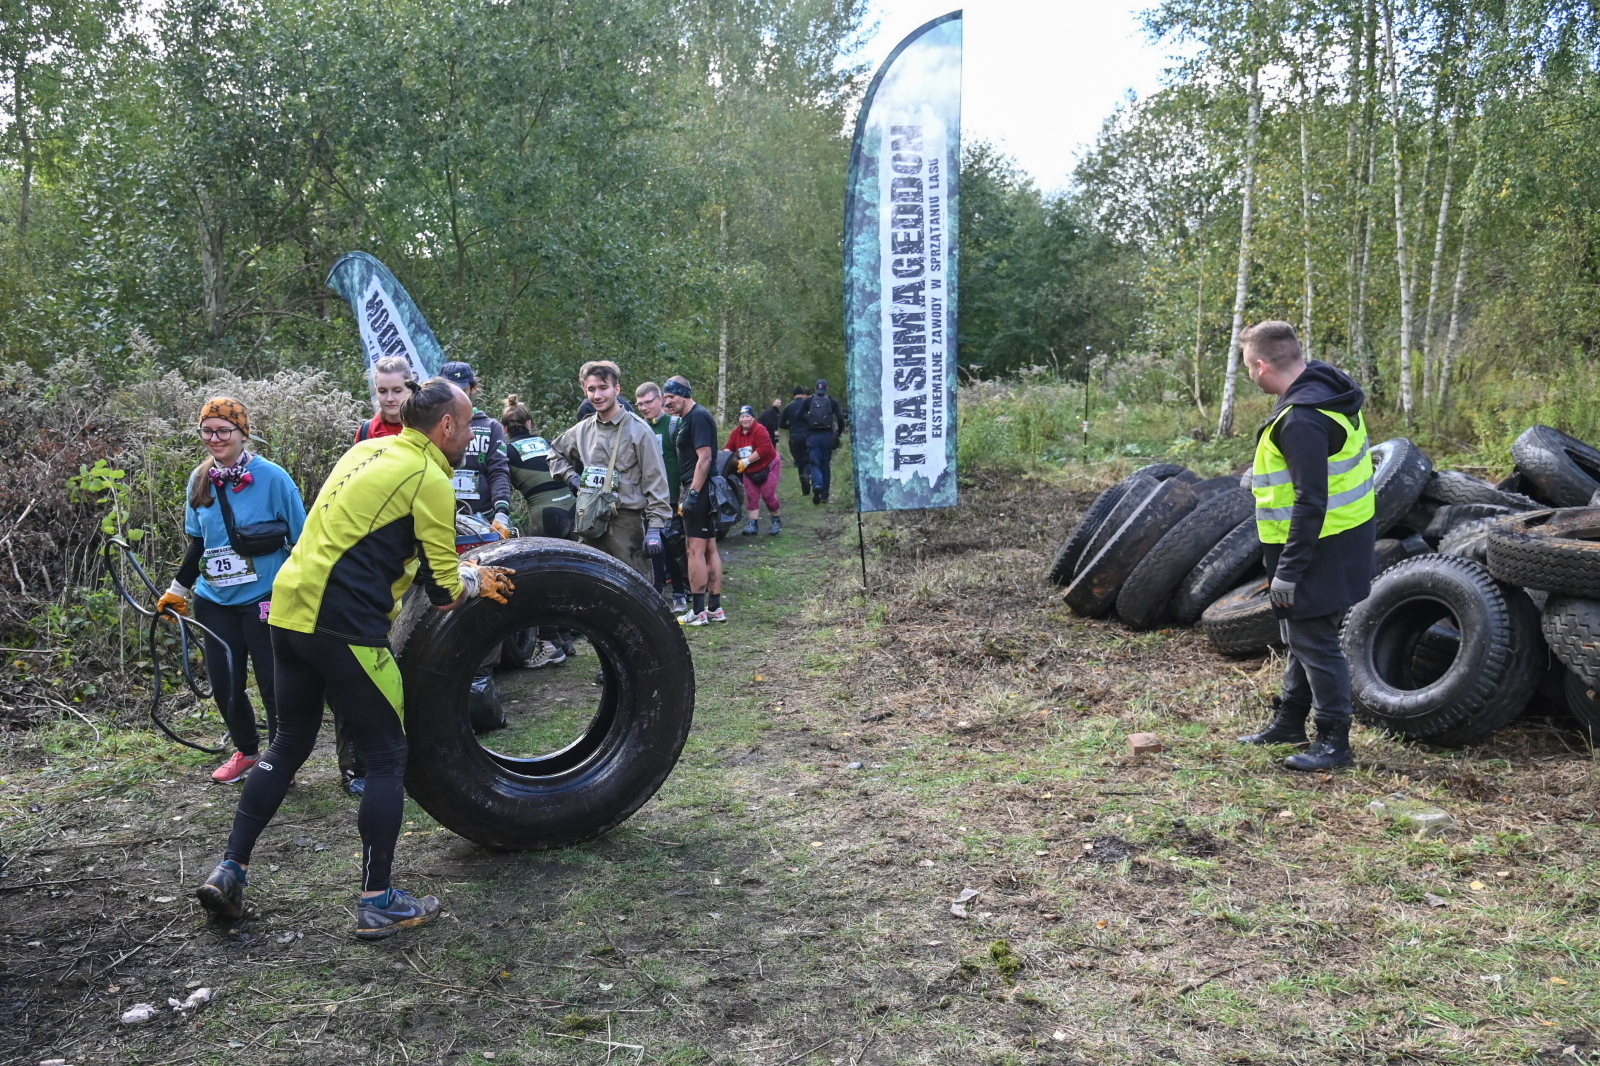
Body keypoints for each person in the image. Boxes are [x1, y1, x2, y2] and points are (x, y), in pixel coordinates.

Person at [195, 378, 515, 939]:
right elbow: (443, 592)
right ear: (445, 427)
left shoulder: (366, 449)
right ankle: (377, 901)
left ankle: (230, 871)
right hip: (342, 626)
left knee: (288, 744)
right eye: (465, 426)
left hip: (286, 612)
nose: (468, 436)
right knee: (388, 756)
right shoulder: (430, 477)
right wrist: (475, 578)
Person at [1235, 320, 1375, 772]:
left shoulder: (1301, 419)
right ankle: (1290, 722)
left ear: (1260, 365)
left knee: (1316, 642)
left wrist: (1289, 572)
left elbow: (1311, 499)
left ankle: (1335, 743)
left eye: (1245, 365)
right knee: (1303, 636)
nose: (1247, 373)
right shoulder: (1325, 392)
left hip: (1315, 548)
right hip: (1341, 538)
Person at [156, 399, 307, 785]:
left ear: (243, 433)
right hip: (214, 601)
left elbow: (303, 542)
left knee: (275, 684)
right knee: (225, 684)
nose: (216, 438)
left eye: (224, 430)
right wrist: (177, 589)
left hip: (265, 597)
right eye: (208, 430)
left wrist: (305, 592)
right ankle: (247, 752)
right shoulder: (199, 478)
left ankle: (279, 761)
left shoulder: (273, 478)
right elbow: (197, 544)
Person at [546, 361, 671, 579]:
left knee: (634, 589)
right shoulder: (583, 429)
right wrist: (571, 477)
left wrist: (655, 528)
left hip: (625, 524)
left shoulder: (639, 431)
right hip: (589, 521)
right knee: (591, 587)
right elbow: (554, 453)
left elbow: (656, 481)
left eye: (603, 388)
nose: (597, 395)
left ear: (616, 389)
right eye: (591, 389)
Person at [501, 394, 575, 669]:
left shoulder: (507, 451)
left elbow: (502, 485)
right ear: (529, 423)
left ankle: (548, 644)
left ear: (506, 429)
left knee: (545, 581)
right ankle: (566, 639)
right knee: (566, 575)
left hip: (545, 513)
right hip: (571, 506)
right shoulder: (544, 441)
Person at [660, 376, 725, 625]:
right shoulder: (690, 417)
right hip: (700, 488)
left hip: (698, 488)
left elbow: (705, 458)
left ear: (684, 394)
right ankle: (714, 608)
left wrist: (693, 494)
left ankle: (698, 611)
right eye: (665, 397)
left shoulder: (697, 416)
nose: (668, 402)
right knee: (709, 548)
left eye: (671, 397)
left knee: (694, 550)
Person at [437, 361, 513, 540]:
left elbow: (499, 471)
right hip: (440, 518)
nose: (456, 398)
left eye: (461, 391)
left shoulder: (491, 427)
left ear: (473, 388)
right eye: (449, 392)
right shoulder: (434, 426)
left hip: (482, 520)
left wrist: (501, 512)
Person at [635, 381, 689, 613]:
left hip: (672, 498)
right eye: (640, 404)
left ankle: (680, 594)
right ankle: (656, 594)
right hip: (646, 499)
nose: (645, 408)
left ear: (660, 400)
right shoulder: (637, 427)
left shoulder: (674, 425)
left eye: (648, 402)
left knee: (674, 548)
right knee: (652, 548)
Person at [726, 404, 781, 535]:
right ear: (739, 419)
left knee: (768, 495)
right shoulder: (736, 433)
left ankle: (776, 521)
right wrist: (725, 458)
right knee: (751, 495)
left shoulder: (760, 430)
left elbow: (763, 449)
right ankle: (752, 524)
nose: (745, 419)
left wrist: (746, 461)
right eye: (742, 416)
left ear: (753, 418)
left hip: (768, 465)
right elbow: (729, 448)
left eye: (748, 416)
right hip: (749, 469)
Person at [801, 378, 847, 505]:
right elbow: (841, 419)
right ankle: (825, 495)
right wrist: (838, 433)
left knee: (815, 463)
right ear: (826, 389)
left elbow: (799, 415)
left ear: (815, 388)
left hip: (813, 436)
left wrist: (809, 420)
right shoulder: (832, 401)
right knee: (825, 465)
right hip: (827, 436)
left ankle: (817, 485)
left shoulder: (809, 401)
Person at [355, 355, 414, 442]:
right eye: (383, 391)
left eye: (397, 391)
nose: (390, 398)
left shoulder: (428, 430)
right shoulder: (365, 432)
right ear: (376, 391)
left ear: (410, 390)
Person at [779, 385, 813, 497]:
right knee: (808, 459)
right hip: (807, 435)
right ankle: (807, 476)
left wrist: (792, 426)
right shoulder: (808, 404)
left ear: (793, 395)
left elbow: (781, 424)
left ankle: (805, 490)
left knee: (799, 463)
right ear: (803, 394)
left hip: (794, 437)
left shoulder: (788, 407)